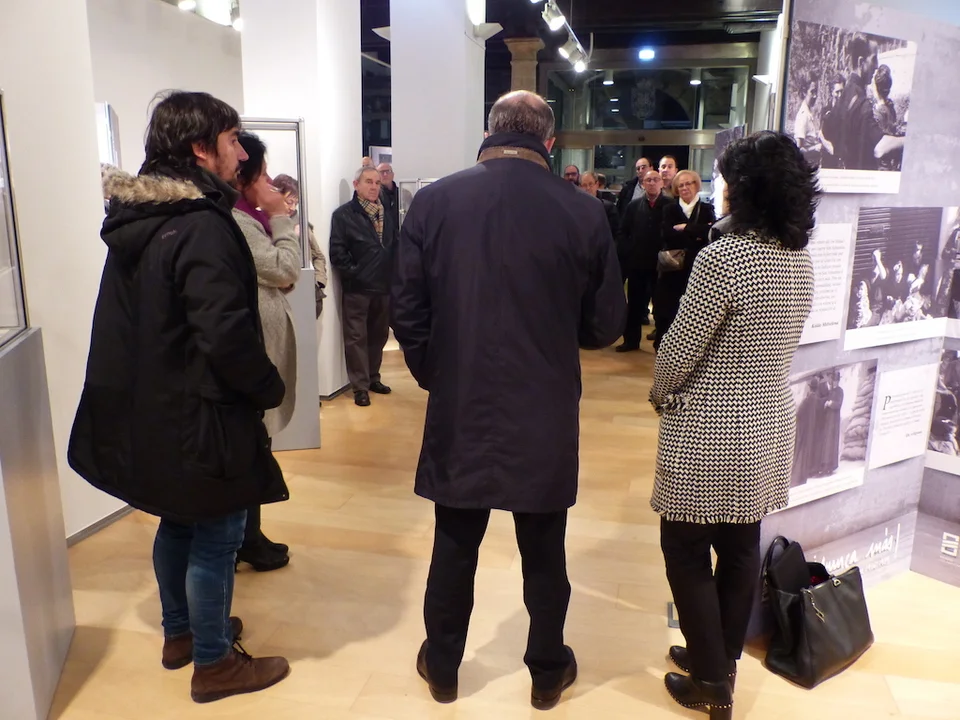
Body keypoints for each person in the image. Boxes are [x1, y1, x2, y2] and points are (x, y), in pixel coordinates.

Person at [391, 90, 625, 711]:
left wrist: (438, 373)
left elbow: (406, 309)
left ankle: (443, 666)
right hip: (544, 403)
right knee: (544, 549)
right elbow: (605, 325)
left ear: (490, 130)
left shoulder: (435, 201)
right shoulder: (583, 211)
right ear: (549, 141)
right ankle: (547, 671)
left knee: (453, 542)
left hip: (461, 400)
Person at [67, 91, 291, 702]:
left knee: (178, 521)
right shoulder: (200, 224)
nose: (241, 154)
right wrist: (266, 386)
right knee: (218, 533)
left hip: (157, 408)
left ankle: (183, 633)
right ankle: (215, 664)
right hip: (202, 412)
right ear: (200, 148)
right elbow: (224, 333)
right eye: (232, 141)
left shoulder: (139, 219)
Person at [649, 131, 817, 719]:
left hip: (710, 428)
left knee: (685, 548)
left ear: (746, 189)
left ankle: (711, 682)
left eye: (728, 181)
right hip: (767, 426)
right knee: (741, 548)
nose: (722, 190)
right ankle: (718, 658)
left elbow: (680, 348)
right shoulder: (800, 260)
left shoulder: (726, 258)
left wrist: (659, 391)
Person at [231, 132, 299, 572]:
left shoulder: (246, 217)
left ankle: (249, 535)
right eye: (262, 174)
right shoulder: (241, 219)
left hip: (258, 348)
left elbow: (281, 276)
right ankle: (246, 539)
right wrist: (280, 217)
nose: (270, 182)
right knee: (254, 446)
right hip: (251, 353)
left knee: (259, 444)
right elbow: (283, 267)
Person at [330, 166, 396, 406]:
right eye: (368, 181)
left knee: (378, 336)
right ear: (356, 184)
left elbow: (393, 245)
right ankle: (360, 387)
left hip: (383, 286)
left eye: (377, 182)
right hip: (358, 288)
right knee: (356, 338)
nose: (374, 187)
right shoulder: (343, 215)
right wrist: (355, 273)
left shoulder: (386, 213)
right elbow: (337, 252)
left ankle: (373, 377)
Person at [654, 170, 716, 350]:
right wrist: (697, 232)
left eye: (689, 183)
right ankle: (663, 347)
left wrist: (686, 228)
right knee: (666, 309)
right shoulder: (669, 209)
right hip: (672, 269)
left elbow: (710, 234)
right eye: (680, 185)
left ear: (696, 185)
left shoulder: (707, 209)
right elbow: (667, 235)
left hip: (697, 268)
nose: (685, 188)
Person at [617, 170, 670, 351]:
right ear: (643, 184)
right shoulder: (633, 206)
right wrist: (629, 251)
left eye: (655, 179)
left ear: (661, 183)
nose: (652, 183)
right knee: (634, 305)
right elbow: (623, 232)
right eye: (648, 180)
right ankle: (631, 341)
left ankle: (661, 344)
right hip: (637, 263)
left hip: (661, 266)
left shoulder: (670, 206)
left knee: (661, 307)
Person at [271, 173, 329, 318]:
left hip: (305, 292)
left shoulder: (302, 223)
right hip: (278, 294)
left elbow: (318, 255)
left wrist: (317, 282)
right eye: (289, 202)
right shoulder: (264, 223)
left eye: (295, 203)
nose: (292, 207)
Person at [580, 170, 620, 238]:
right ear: (580, 187)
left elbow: (614, 233)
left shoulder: (609, 208)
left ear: (597, 185)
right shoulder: (576, 208)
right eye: (584, 185)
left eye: (590, 184)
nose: (588, 188)